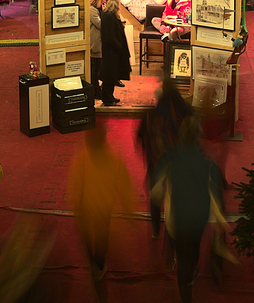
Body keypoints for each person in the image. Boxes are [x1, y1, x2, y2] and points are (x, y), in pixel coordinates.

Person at [152, 114, 225, 303]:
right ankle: (192, 270)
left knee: (182, 257)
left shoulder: (169, 159)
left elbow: (156, 191)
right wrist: (219, 222)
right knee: (194, 247)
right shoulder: (209, 165)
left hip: (177, 218)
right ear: (198, 137)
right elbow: (217, 198)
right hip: (199, 217)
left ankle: (186, 294)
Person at [68, 121, 136, 281]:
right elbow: (125, 186)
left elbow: (76, 183)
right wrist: (129, 210)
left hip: (86, 203)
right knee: (102, 234)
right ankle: (98, 264)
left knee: (85, 233)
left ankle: (90, 258)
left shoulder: (82, 159)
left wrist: (77, 203)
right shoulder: (114, 160)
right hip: (104, 205)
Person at [137, 77, 191, 240]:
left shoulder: (151, 115)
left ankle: (155, 228)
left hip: (156, 161)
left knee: (156, 196)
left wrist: (150, 151)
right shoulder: (184, 111)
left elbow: (141, 137)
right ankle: (176, 225)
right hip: (177, 159)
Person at [99, 0, 130, 106]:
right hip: (111, 50)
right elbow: (109, 35)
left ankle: (110, 96)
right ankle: (107, 98)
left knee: (113, 75)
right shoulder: (108, 15)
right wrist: (119, 46)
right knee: (109, 75)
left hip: (114, 49)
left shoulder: (111, 14)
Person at [89, 0, 110, 89]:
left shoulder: (96, 10)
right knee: (95, 69)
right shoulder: (92, 10)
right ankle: (95, 89)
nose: (105, 2)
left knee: (97, 67)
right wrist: (105, 12)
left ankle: (96, 88)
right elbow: (101, 24)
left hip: (98, 42)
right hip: (95, 43)